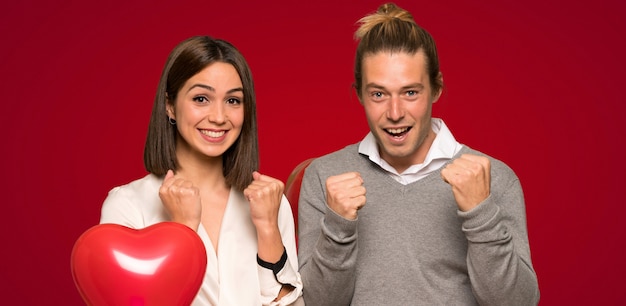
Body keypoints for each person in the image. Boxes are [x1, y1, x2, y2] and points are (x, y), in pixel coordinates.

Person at [297, 3, 539, 305]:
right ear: (359, 94)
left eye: (410, 92)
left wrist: (482, 214)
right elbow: (317, 303)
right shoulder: (325, 176)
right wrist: (338, 225)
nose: (395, 113)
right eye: (378, 94)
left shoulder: (494, 178)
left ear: (436, 89)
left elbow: (519, 302)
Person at [100, 36, 303, 306]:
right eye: (201, 98)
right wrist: (181, 231)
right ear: (169, 105)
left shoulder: (269, 201)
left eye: (233, 101)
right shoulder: (127, 205)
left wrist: (268, 230)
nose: (219, 116)